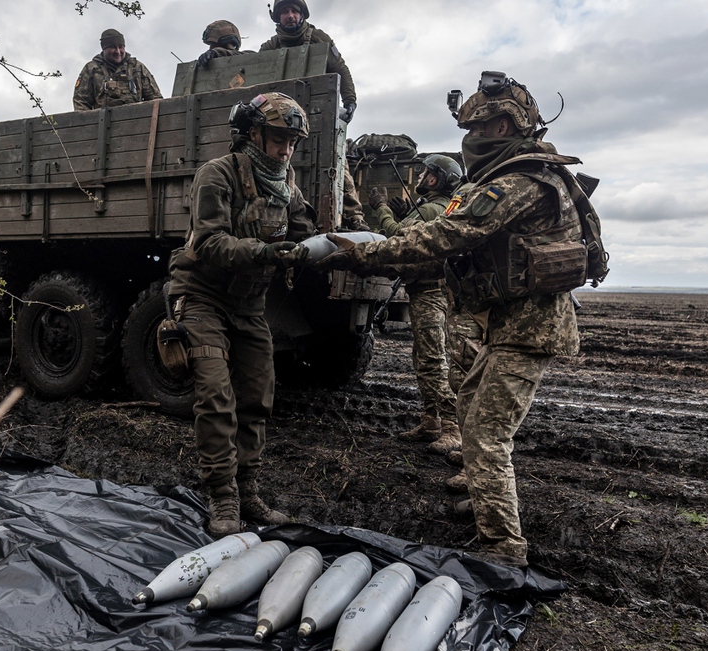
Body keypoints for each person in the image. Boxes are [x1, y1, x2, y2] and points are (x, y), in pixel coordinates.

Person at [317, 72, 596, 566]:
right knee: (468, 401)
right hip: (509, 322)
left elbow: (450, 235)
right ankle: (486, 497)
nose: (471, 140)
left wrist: (370, 254)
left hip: (530, 328)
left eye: (480, 129)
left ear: (507, 125)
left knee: (488, 434)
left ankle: (504, 549)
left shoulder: (521, 181)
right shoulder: (523, 175)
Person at [168, 92, 316, 538]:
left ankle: (248, 492)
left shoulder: (287, 184)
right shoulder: (217, 174)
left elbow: (305, 232)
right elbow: (210, 243)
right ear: (253, 133)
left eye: (292, 141)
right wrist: (268, 250)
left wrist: (324, 250)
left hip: (249, 304)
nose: (286, 149)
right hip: (203, 296)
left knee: (257, 396)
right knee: (216, 394)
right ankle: (223, 498)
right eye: (278, 138)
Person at [367, 155, 465, 456]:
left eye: (424, 173)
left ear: (435, 179)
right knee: (424, 357)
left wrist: (381, 208)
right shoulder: (438, 207)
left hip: (429, 292)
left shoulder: (432, 207)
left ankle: (452, 427)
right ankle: (431, 421)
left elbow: (397, 236)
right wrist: (409, 212)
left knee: (433, 360)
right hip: (432, 290)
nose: (420, 177)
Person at [260, 0, 365, 229]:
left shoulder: (319, 38)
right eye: (285, 12)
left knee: (338, 161)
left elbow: (341, 69)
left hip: (318, 114)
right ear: (277, 17)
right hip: (279, 120)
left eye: (294, 11)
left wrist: (350, 101)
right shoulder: (270, 47)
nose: (290, 16)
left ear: (302, 15)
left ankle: (354, 217)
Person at [73, 29, 162, 111]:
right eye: (113, 47)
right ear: (104, 49)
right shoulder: (92, 69)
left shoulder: (137, 68)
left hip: (136, 122)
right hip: (101, 124)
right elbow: (81, 102)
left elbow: (155, 99)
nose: (118, 51)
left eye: (121, 47)